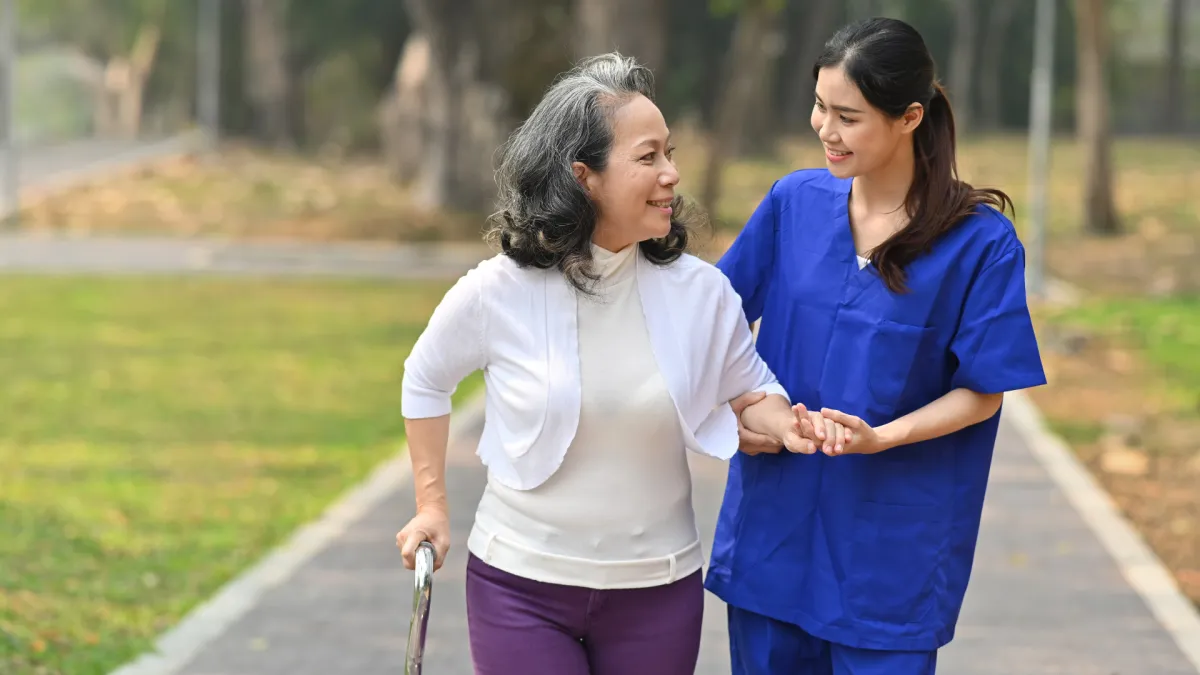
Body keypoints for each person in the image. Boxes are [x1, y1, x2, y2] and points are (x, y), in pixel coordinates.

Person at [396, 53, 830, 675]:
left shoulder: (701, 292)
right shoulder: (499, 290)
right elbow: (425, 378)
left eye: (670, 154)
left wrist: (787, 423)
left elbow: (751, 388)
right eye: (648, 157)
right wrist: (432, 504)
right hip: (520, 586)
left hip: (659, 591)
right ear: (585, 176)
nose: (672, 174)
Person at [705, 17, 1049, 675]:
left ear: (910, 116)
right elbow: (709, 328)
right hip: (773, 544)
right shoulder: (793, 203)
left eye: (847, 116)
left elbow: (982, 391)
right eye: (818, 106)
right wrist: (738, 412)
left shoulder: (980, 244)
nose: (823, 129)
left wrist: (882, 437)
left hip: (890, 565)